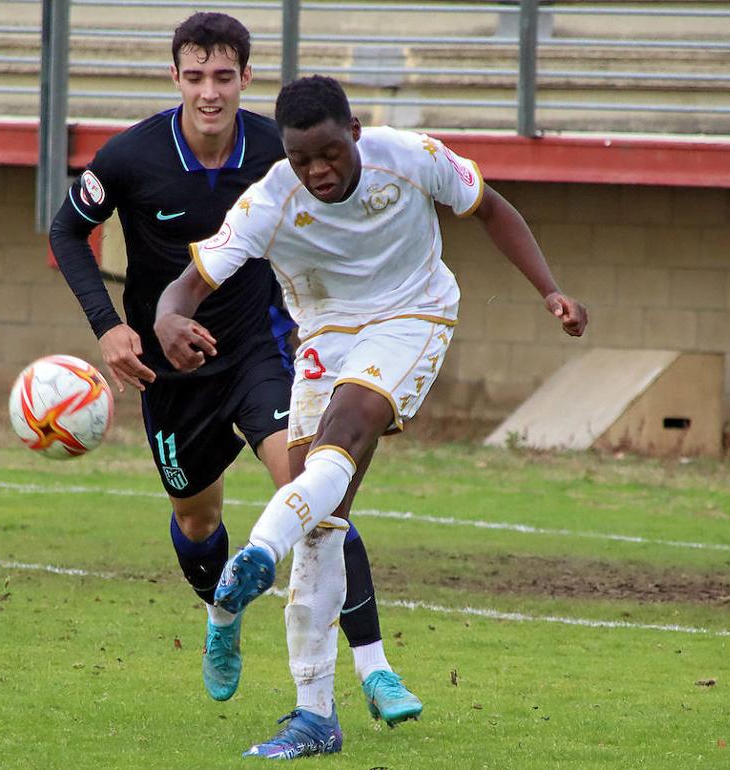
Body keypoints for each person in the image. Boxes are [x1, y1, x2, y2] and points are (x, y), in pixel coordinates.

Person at [155, 75, 588, 759]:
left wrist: (550, 290)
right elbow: (188, 285)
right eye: (302, 159)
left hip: (414, 314)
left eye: (329, 153)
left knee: (348, 431)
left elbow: (491, 208)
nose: (317, 171)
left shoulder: (411, 156)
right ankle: (314, 716)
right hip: (325, 334)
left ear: (355, 132)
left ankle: (255, 557)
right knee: (321, 524)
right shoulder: (271, 199)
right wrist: (168, 318)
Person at [49, 13, 420, 720]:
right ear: (175, 77)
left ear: (247, 77)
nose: (210, 92)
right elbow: (67, 229)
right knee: (197, 522)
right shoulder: (130, 157)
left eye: (224, 76)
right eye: (195, 77)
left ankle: (375, 669)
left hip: (259, 351)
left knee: (316, 496)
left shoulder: (279, 154)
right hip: (168, 372)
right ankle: (221, 616)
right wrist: (108, 327)